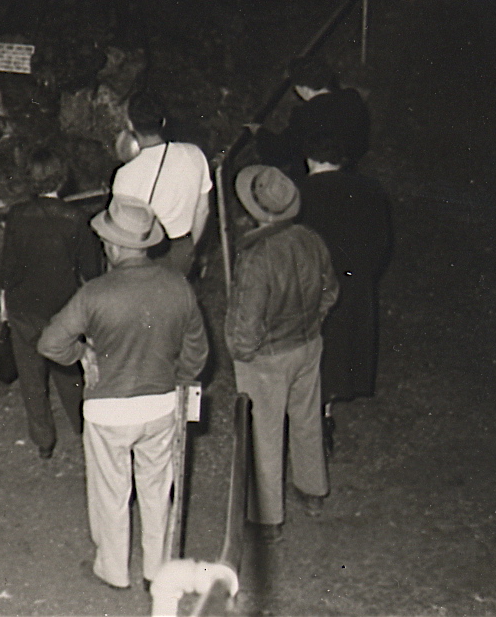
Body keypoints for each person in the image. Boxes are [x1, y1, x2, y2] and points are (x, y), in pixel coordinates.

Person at [39, 196, 209, 591]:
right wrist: (175, 377)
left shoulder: (94, 293)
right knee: (155, 487)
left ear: (114, 247)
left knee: (111, 492)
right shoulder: (178, 286)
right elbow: (197, 351)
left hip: (109, 412)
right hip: (162, 404)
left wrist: (83, 353)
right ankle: (157, 569)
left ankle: (113, 570)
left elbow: (50, 343)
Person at [225, 165, 339, 544]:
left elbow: (247, 320)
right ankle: (313, 491)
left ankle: (267, 517)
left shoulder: (256, 257)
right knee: (306, 419)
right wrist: (313, 324)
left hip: (268, 358)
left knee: (265, 434)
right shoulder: (310, 238)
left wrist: (243, 355)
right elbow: (330, 290)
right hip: (307, 346)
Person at [0, 148, 103, 458]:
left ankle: (43, 440)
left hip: (24, 309)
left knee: (31, 378)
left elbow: (8, 269)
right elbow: (91, 271)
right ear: (63, 176)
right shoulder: (76, 218)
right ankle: (83, 429)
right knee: (68, 372)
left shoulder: (16, 216)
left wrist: (4, 304)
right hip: (63, 309)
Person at [298, 135, 392, 454]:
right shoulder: (370, 190)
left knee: (317, 349)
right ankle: (326, 411)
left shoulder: (300, 194)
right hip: (353, 282)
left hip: (313, 286)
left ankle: (317, 416)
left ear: (309, 158)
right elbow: (381, 243)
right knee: (342, 347)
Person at [111, 92, 212, 279]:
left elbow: (122, 231)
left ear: (130, 125)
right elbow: (202, 210)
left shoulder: (124, 175)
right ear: (163, 122)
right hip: (184, 248)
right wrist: (190, 248)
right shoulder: (194, 154)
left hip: (146, 255)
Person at [252, 56, 371, 180]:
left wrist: (259, 132)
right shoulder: (351, 98)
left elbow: (279, 154)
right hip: (349, 169)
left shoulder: (305, 116)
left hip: (315, 178)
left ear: (301, 88)